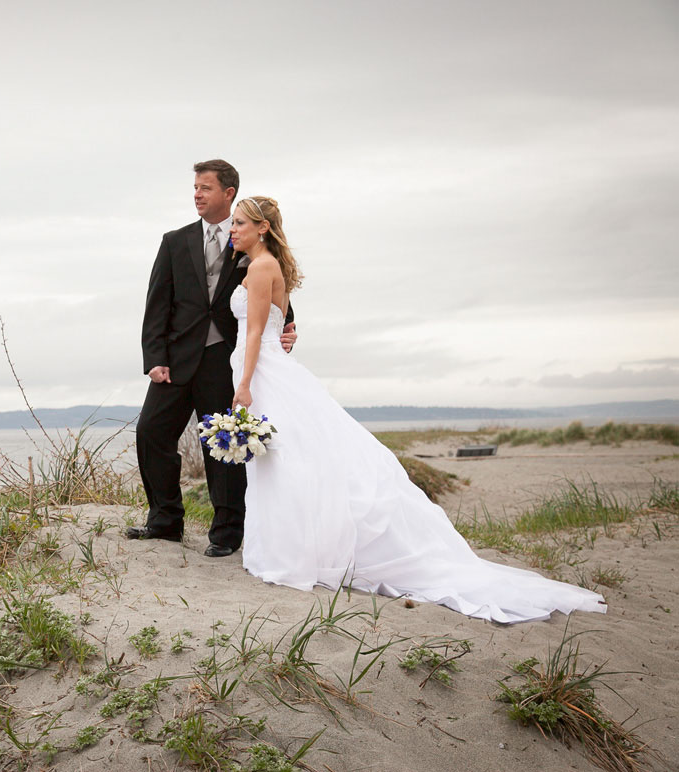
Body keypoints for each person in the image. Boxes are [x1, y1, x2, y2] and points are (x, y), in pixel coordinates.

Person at [226, 195, 606, 623]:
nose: (233, 229)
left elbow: (257, 332)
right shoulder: (264, 265)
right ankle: (290, 548)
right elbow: (274, 326)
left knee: (286, 461)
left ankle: (291, 553)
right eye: (233, 223)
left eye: (240, 222)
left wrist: (243, 386)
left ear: (262, 228)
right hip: (270, 370)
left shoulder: (260, 268)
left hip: (265, 375)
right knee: (286, 460)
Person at [128, 161, 295, 557]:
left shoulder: (249, 241)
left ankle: (226, 533)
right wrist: (154, 357)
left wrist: (287, 324)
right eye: (195, 188)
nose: (197, 195)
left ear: (228, 192)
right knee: (151, 433)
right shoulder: (174, 241)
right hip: (175, 360)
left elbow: (271, 289)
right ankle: (165, 522)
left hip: (226, 359)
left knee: (224, 446)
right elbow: (157, 304)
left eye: (205, 187)